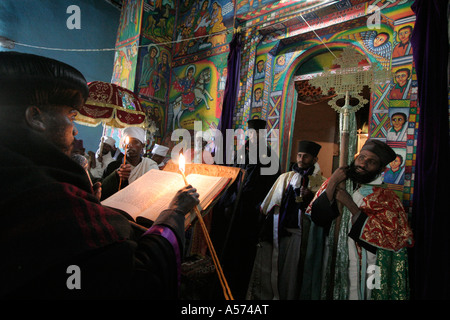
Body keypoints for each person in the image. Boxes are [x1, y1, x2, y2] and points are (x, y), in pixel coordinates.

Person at [0, 51, 200, 299]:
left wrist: (86, 199)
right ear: (35, 117)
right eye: (71, 116)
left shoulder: (19, 176)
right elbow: (140, 278)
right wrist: (175, 213)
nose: (74, 130)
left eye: (134, 144)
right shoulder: (51, 201)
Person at [307, 139, 414, 300]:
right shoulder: (338, 183)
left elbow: (388, 238)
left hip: (367, 266)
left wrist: (350, 204)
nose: (363, 164)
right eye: (361, 158)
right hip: (332, 258)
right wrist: (333, 182)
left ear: (380, 169)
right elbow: (317, 218)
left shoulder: (387, 198)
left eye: (371, 162)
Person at [246, 140, 326, 300]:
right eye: (299, 155)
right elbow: (268, 204)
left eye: (306, 157)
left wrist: (310, 197)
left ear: (315, 160)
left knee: (292, 273)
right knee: (272, 267)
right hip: (279, 231)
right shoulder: (285, 177)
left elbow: (320, 212)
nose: (301, 159)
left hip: (300, 234)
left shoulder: (320, 181)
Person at [214, 119, 280, 299]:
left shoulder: (270, 156)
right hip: (234, 207)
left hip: (251, 211)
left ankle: (240, 288)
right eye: (251, 133)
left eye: (257, 134)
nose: (253, 137)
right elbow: (232, 176)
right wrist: (228, 201)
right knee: (228, 248)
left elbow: (270, 186)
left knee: (244, 251)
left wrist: (257, 206)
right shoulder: (241, 152)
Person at [101, 127, 159, 200]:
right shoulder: (113, 166)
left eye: (135, 142)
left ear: (142, 146)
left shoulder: (150, 165)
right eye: (127, 142)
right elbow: (103, 191)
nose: (129, 145)